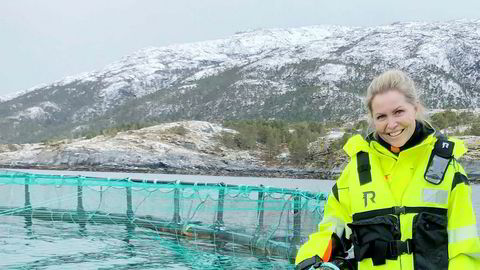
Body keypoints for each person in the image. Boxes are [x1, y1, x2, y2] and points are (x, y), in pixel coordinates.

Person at [295, 69, 480, 269]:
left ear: (415, 108)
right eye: (381, 116)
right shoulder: (356, 171)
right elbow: (331, 231)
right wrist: (308, 260)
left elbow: (464, 249)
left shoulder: (448, 169)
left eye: (399, 112)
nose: (391, 124)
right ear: (372, 119)